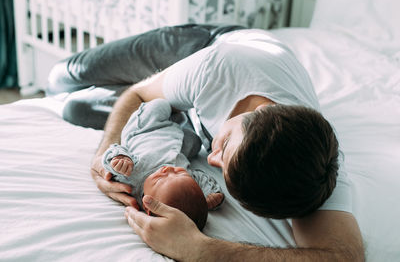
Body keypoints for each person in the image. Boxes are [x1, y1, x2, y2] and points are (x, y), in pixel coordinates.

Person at [91, 29, 364, 261]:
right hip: (210, 43)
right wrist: (105, 150)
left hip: (193, 97)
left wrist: (202, 250)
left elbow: (343, 257)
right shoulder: (217, 70)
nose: (210, 158)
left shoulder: (311, 171)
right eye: (224, 146)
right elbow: (138, 94)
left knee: (80, 107)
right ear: (256, 112)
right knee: (67, 77)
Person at [102, 98, 224, 230]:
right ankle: (178, 117)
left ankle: (176, 118)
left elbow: (112, 152)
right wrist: (211, 194)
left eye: (159, 179)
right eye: (180, 172)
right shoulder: (185, 180)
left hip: (147, 130)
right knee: (195, 142)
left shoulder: (130, 178)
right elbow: (201, 178)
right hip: (176, 142)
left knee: (159, 105)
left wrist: (119, 159)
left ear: (148, 205)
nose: (169, 170)